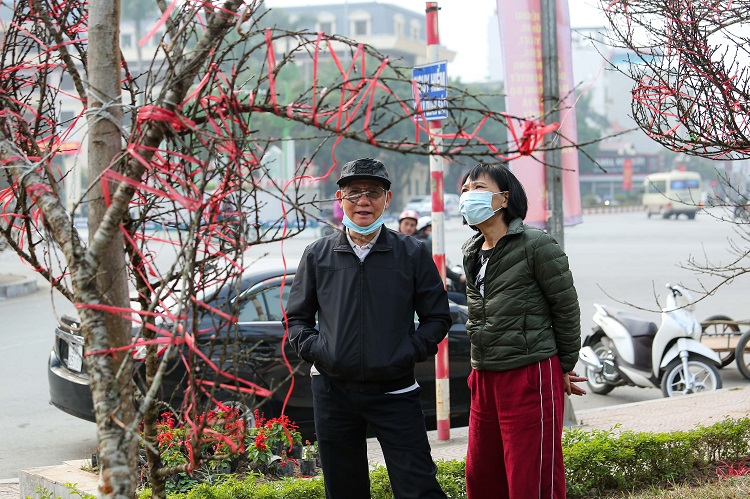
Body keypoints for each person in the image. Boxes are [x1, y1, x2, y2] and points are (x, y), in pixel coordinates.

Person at [285, 158, 451, 499]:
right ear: (340, 198)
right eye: (354, 192)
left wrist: (406, 352)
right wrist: (322, 353)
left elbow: (437, 318)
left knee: (418, 486)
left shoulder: (412, 253)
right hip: (333, 392)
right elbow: (297, 319)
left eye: (373, 192)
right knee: (344, 490)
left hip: (395, 390)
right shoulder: (318, 254)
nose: (364, 201)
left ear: (387, 200)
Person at [458, 163, 586, 499]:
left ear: (505, 197)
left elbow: (566, 308)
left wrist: (561, 366)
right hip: (484, 375)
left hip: (529, 373)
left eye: (479, 188)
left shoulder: (535, 244)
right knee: (482, 474)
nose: (469, 196)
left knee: (531, 475)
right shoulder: (471, 252)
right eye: (465, 190)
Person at [413, 215, 468, 305]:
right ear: (423, 230)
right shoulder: (424, 243)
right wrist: (459, 278)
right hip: (427, 292)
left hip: (423, 288)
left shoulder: (416, 241)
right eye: (431, 229)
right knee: (461, 298)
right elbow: (437, 264)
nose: (433, 232)